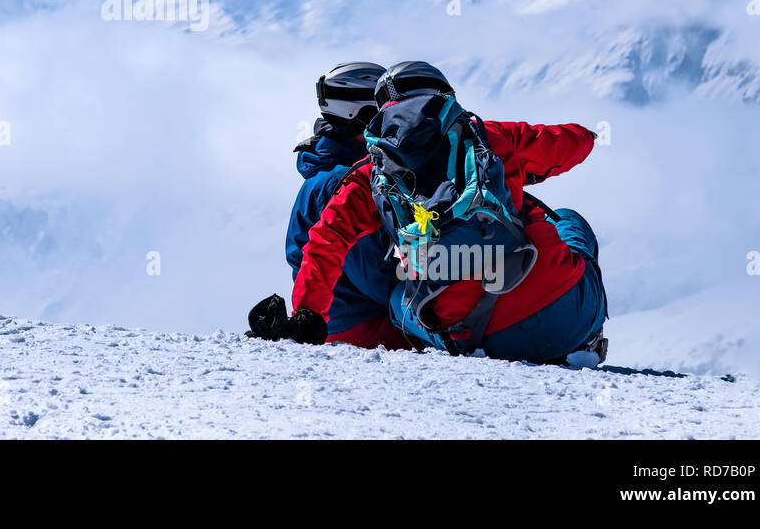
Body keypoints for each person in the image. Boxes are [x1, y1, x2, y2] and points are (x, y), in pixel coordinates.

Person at [287, 61, 608, 365]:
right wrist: (587, 137)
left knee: (403, 298)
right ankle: (586, 341)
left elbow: (327, 238)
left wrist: (308, 312)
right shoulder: (489, 136)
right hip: (565, 314)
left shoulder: (369, 175)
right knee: (569, 220)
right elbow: (571, 144)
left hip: (476, 334)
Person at [251, 63, 411, 350]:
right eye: (386, 113)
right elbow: (374, 279)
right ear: (363, 115)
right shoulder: (344, 182)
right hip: (360, 324)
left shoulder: (334, 171)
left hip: (340, 318)